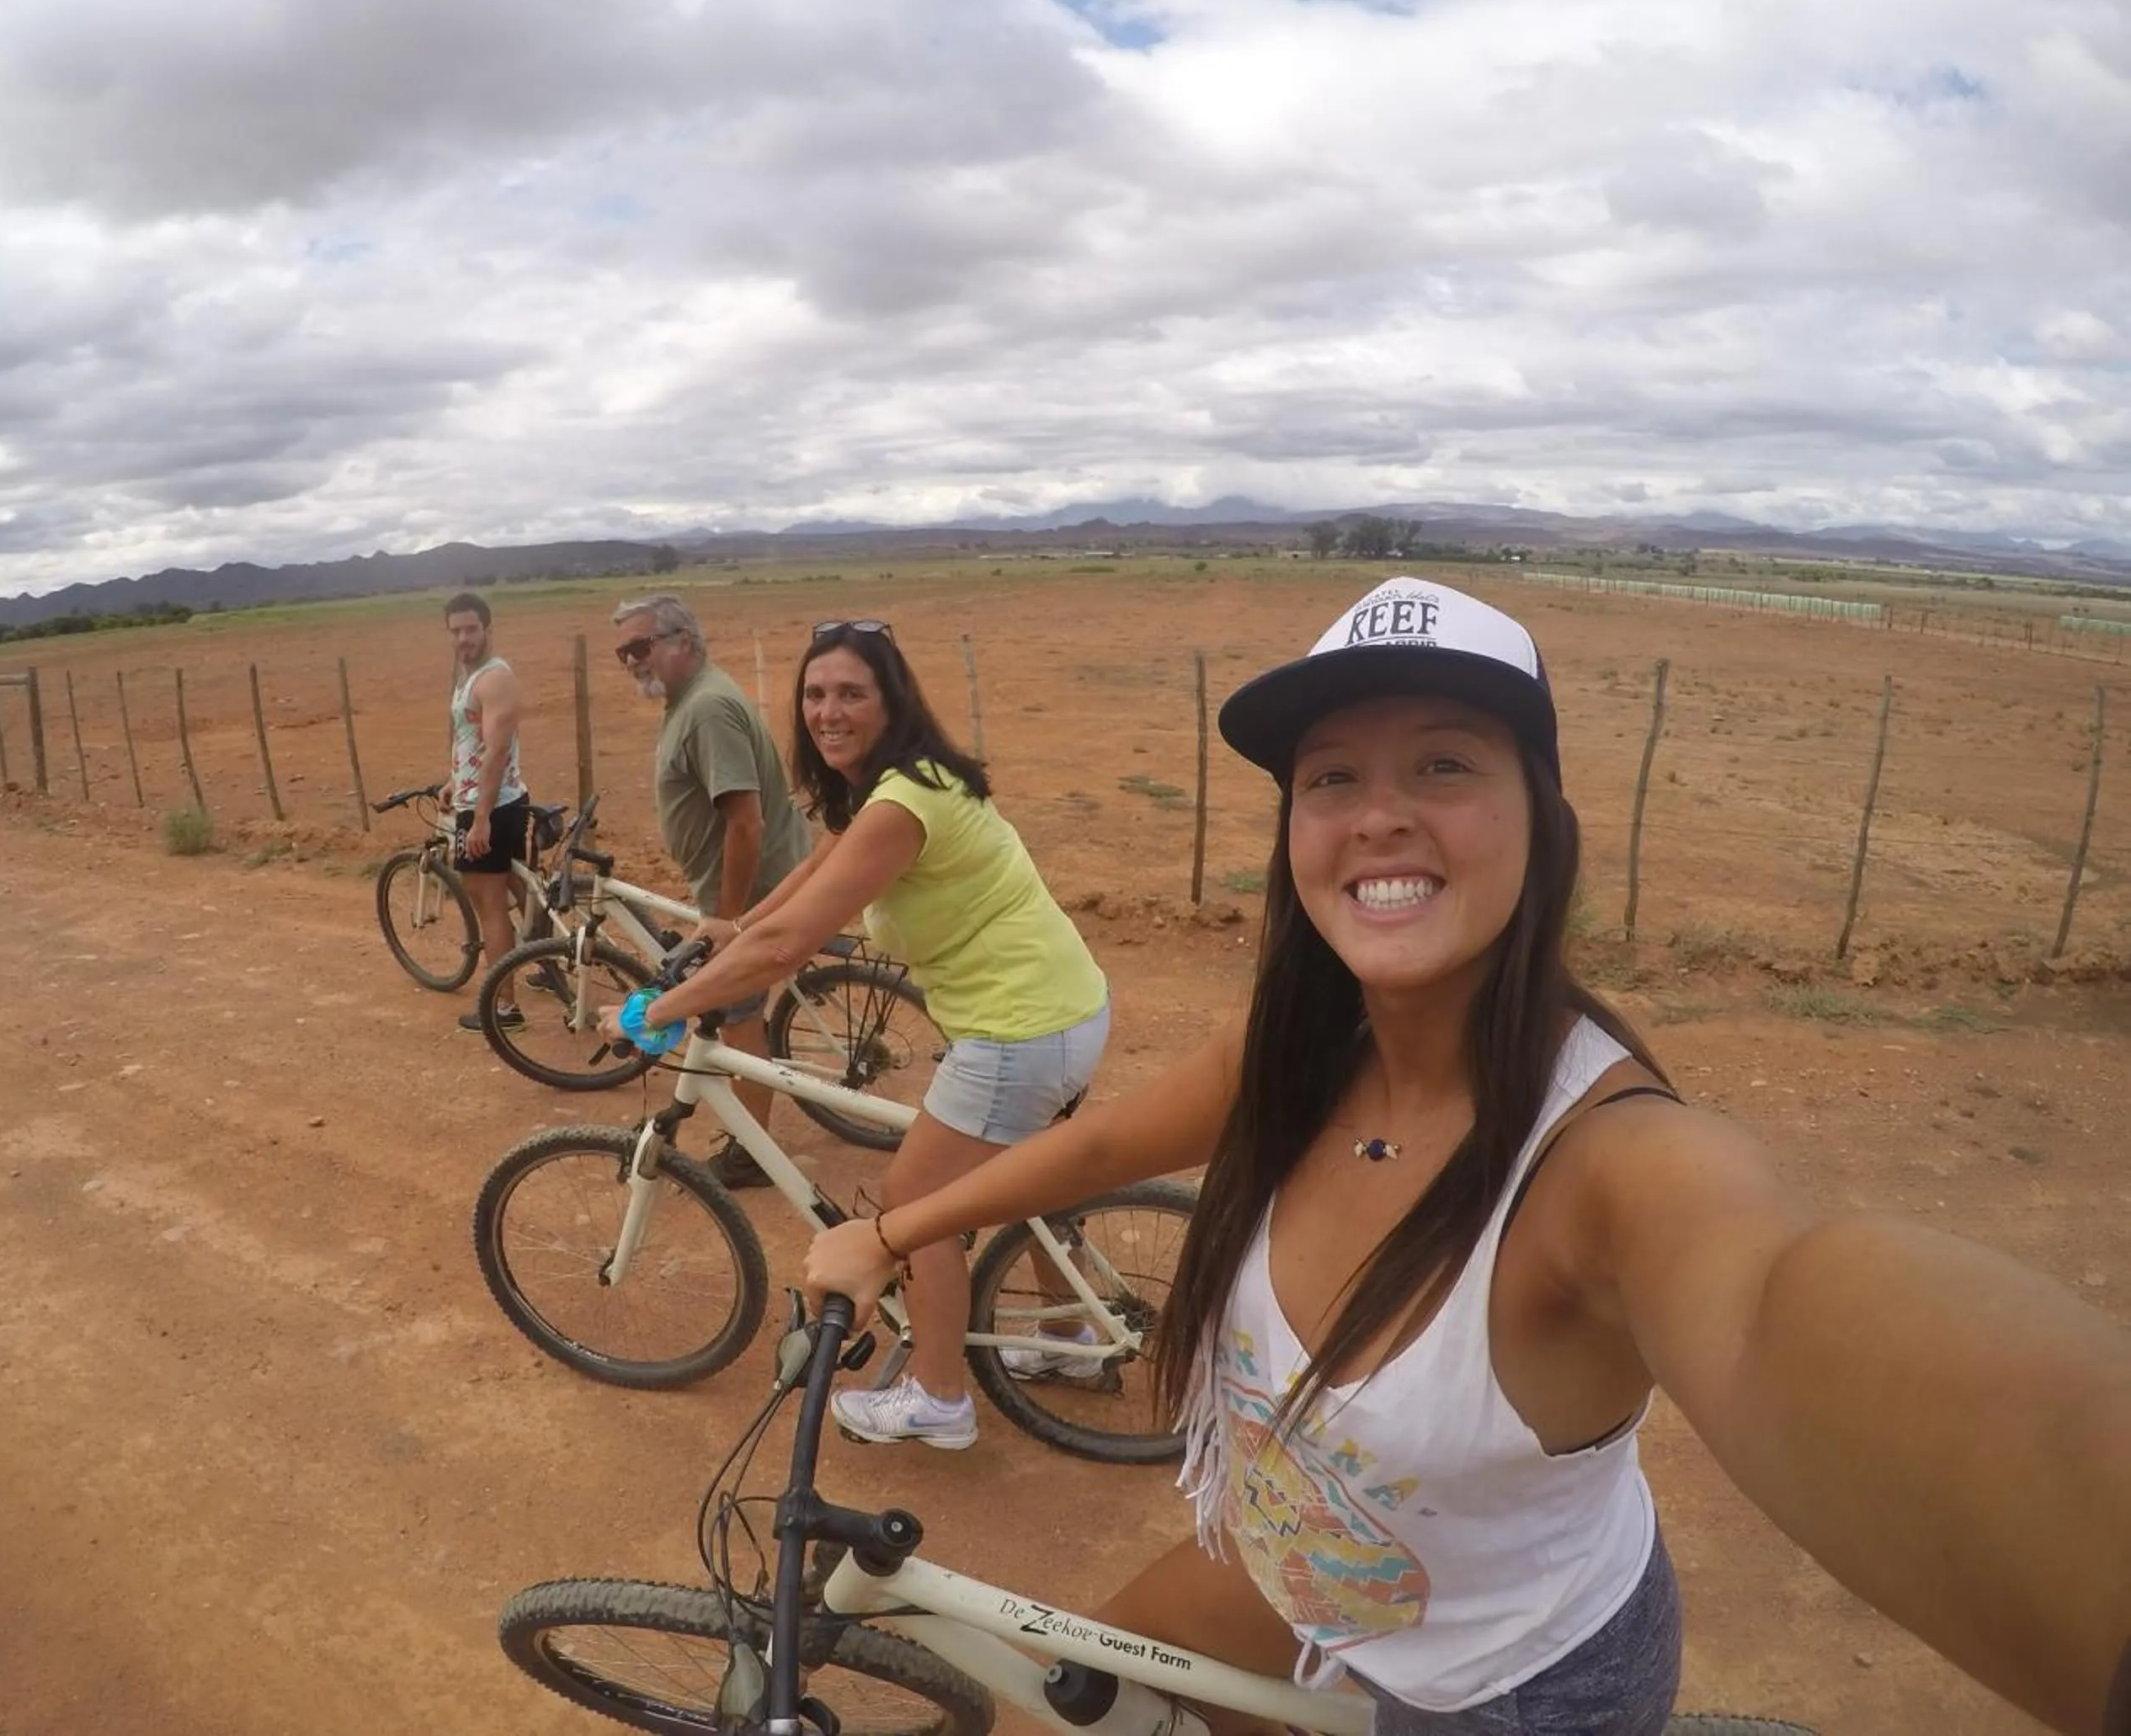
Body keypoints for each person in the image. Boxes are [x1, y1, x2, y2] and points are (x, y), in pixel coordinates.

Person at [807, 577, 2131, 1736]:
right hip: (1308, 1568)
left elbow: (1791, 1301)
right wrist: (891, 1231)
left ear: (1539, 822)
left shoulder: (1609, 1164)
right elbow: (1097, 1140)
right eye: (1332, 775)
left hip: (1511, 1690)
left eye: (1443, 764)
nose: (1378, 814)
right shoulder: (1299, 1037)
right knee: (1070, 1694)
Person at [609, 617, 1111, 1452]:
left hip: (1019, 1030)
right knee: (1018, 1182)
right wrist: (731, 926)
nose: (828, 710)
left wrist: (663, 1009)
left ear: (891, 700)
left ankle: (939, 1398)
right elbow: (809, 879)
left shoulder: (902, 802)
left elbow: (788, 947)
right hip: (1055, 1011)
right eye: (814, 694)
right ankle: (1072, 1342)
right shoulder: (900, 781)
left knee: (915, 1209)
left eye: (851, 693)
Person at [610, 594, 814, 1189]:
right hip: (743, 889)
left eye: (641, 646)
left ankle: (751, 1153)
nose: (631, 661)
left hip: (749, 896)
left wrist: (727, 923)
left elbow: (745, 822)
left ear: (685, 642)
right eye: (623, 652)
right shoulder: (691, 699)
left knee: (737, 1016)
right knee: (735, 1012)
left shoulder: (705, 709)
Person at [445, 591, 528, 1036]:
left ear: (488, 629)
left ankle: (504, 1007)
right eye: (456, 631)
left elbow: (496, 752)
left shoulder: (493, 680)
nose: (464, 637)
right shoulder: (469, 677)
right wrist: (451, 782)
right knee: (514, 888)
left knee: (488, 903)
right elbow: (470, 741)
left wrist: (480, 818)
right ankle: (544, 961)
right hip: (484, 798)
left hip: (492, 805)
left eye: (471, 629)